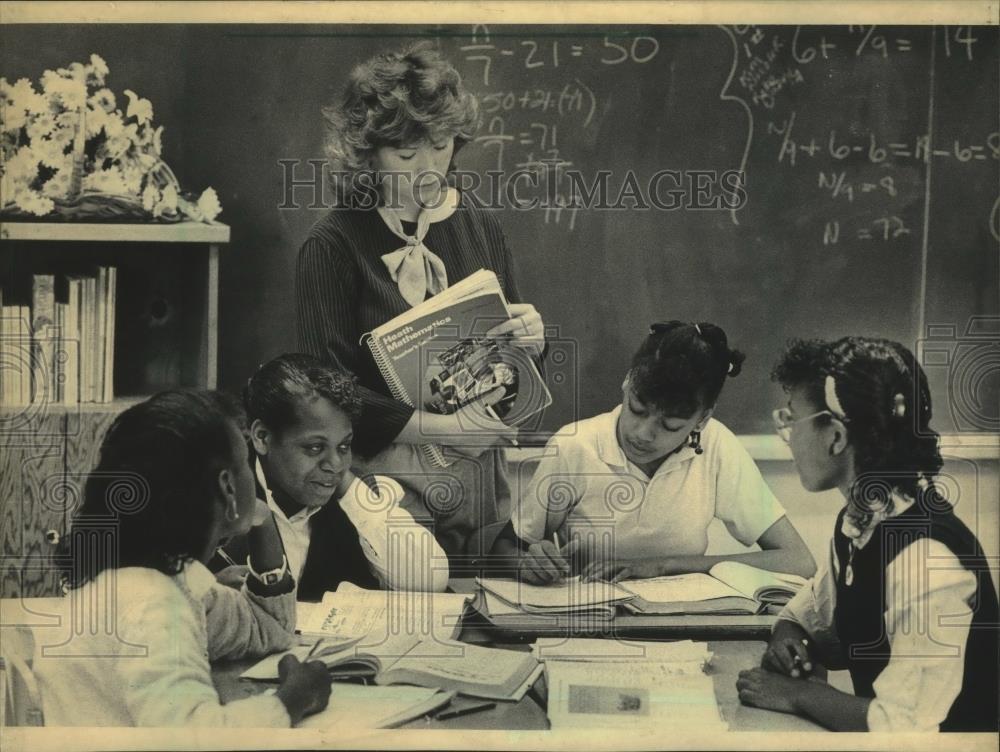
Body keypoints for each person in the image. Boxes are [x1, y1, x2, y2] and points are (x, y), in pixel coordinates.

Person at [296, 42, 544, 568]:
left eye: (440, 146)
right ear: (368, 155)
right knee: (415, 594)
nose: (429, 170)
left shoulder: (479, 225)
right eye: (406, 156)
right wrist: (441, 428)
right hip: (382, 479)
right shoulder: (333, 244)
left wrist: (530, 344)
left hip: (480, 481)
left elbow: (515, 376)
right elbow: (325, 393)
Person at [738, 337, 999, 732]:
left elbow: (904, 726)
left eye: (792, 420)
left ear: (836, 437)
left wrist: (796, 694)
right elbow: (808, 617)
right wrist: (787, 636)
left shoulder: (925, 559)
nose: (787, 436)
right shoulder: (859, 523)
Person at [34, 391, 331, 726]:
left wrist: (261, 521)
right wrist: (292, 700)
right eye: (245, 464)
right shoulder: (153, 602)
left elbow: (270, 629)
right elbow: (189, 738)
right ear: (227, 488)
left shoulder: (161, 579)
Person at [492, 321, 816, 584]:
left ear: (703, 418)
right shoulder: (575, 446)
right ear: (627, 383)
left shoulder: (717, 446)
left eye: (671, 426)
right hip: (593, 622)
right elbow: (505, 547)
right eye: (637, 409)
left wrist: (663, 565)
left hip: (683, 623)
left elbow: (798, 560)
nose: (643, 434)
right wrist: (527, 563)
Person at [213, 353, 449, 599]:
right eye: (315, 447)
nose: (336, 464)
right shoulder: (217, 493)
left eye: (344, 446)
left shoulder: (356, 491)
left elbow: (430, 581)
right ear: (262, 437)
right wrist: (207, 593)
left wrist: (349, 491)